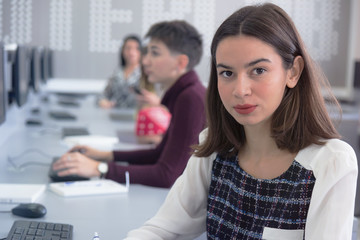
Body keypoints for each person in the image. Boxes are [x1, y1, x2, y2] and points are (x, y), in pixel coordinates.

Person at [123, 3, 358, 240]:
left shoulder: (329, 162)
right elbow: (162, 228)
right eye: (227, 73)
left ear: (293, 72)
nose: (240, 90)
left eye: (258, 70)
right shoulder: (214, 151)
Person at [53, 20, 206, 188]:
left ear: (180, 63)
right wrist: (105, 155)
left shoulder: (190, 99)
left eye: (154, 53)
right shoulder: (185, 94)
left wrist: (99, 169)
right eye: (146, 53)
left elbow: (167, 175)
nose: (145, 61)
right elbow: (158, 154)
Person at [98, 34, 143, 109]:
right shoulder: (116, 74)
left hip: (137, 115)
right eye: (128, 48)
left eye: (136, 49)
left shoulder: (146, 74)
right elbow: (103, 95)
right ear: (123, 51)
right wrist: (103, 101)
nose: (131, 52)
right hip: (117, 116)